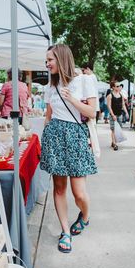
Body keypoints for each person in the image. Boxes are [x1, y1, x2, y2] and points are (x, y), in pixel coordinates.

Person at [40, 44, 97, 254]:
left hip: (76, 136)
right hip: (55, 136)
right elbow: (48, 116)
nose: (47, 64)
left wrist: (71, 99)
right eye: (46, 61)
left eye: (50, 60)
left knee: (79, 193)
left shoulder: (84, 80)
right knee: (59, 188)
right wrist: (44, 138)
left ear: (62, 58)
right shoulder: (49, 86)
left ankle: (85, 216)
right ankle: (65, 232)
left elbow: (92, 112)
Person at [107, 81, 129, 150]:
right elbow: (109, 106)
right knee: (113, 129)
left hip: (120, 114)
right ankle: (115, 144)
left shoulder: (121, 95)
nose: (119, 87)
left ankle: (113, 141)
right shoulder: (110, 95)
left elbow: (123, 105)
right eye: (117, 86)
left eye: (119, 86)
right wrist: (113, 115)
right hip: (113, 115)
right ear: (113, 87)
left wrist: (126, 112)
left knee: (118, 129)